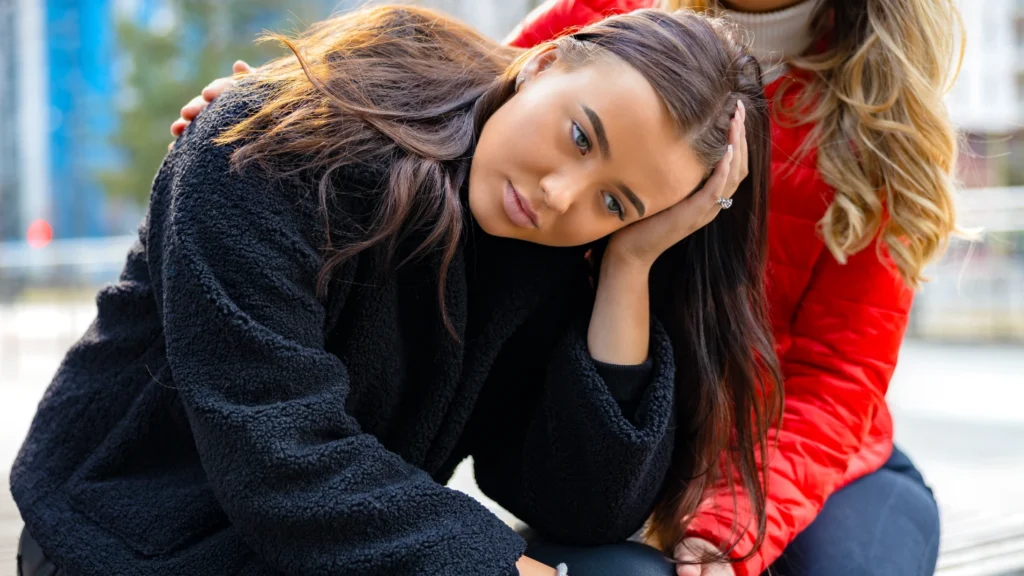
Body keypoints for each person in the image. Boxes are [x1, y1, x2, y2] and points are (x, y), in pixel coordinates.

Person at [13, 6, 782, 576]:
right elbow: (275, 452)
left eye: (614, 202)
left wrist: (629, 264)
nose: (559, 194)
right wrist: (491, 568)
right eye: (581, 137)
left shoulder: (543, 247)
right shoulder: (273, 143)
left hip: (326, 553)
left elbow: (583, 510)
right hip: (130, 540)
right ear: (546, 65)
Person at [462, 1, 962, 575]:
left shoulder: (882, 127)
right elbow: (476, 135)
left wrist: (732, 522)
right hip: (619, 438)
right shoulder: (607, 20)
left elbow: (839, 378)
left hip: (802, 461)